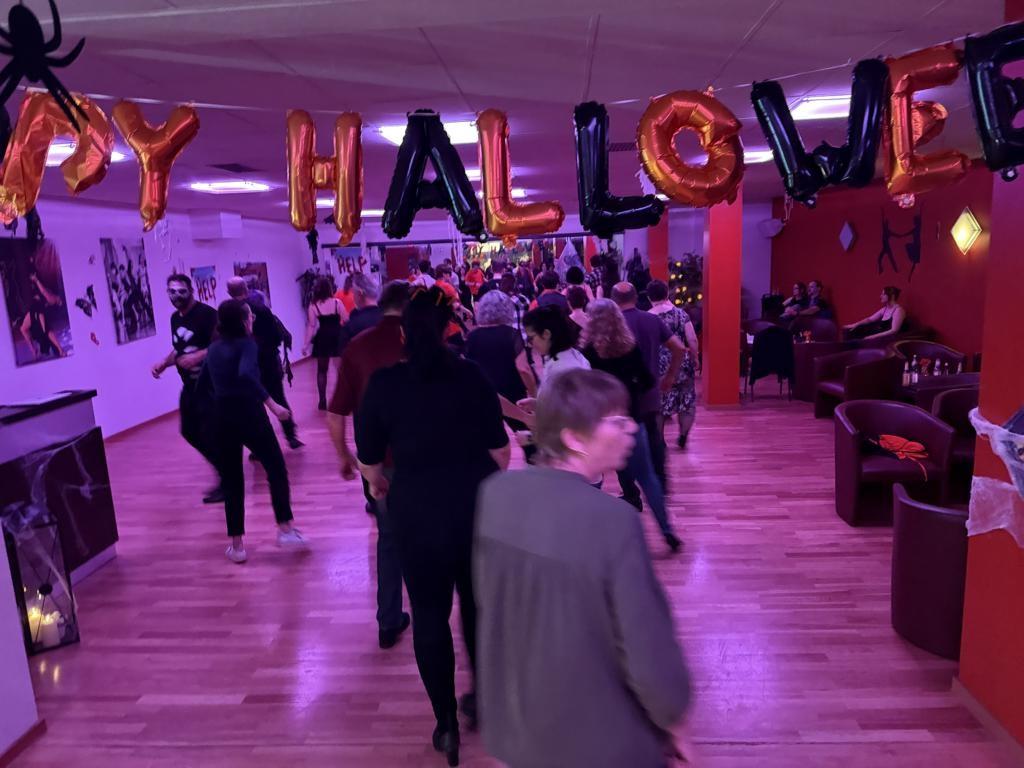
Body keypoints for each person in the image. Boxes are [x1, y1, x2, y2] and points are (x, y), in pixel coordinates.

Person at [475, 369, 692, 768]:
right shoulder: (613, 521)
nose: (632, 429)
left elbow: (493, 610)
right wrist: (671, 716)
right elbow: (646, 647)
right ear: (574, 438)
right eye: (618, 421)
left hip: (517, 731)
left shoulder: (494, 495)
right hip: (598, 743)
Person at [356, 286, 511, 765]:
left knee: (428, 615)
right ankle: (481, 698)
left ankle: (445, 724)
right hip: (473, 509)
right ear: (447, 330)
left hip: (415, 512)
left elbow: (369, 461)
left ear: (403, 334)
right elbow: (501, 451)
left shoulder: (384, 384)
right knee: (477, 607)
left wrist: (379, 486)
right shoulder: (471, 375)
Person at [328, 281, 412, 650]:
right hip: (422, 458)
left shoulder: (357, 346)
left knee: (389, 537)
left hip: (375, 461)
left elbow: (335, 413)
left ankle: (388, 621)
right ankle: (432, 611)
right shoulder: (422, 343)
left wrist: (344, 456)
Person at [199, 300, 307, 564]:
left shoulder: (212, 349)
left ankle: (237, 547)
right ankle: (285, 529)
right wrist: (273, 405)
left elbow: (202, 386)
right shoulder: (247, 344)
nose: (253, 320)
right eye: (250, 316)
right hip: (250, 415)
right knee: (276, 469)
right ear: (242, 320)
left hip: (223, 418)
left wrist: (217, 407)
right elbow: (247, 374)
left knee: (232, 481)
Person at [582, 300, 681, 551]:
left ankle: (595, 537)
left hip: (600, 425)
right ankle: (667, 530)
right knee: (647, 477)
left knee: (594, 479)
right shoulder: (630, 347)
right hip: (629, 421)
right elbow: (647, 381)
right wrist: (631, 389)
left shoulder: (588, 352)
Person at [151, 274, 222, 504]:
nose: (177, 296)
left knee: (212, 432)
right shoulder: (175, 318)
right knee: (190, 431)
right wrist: (164, 363)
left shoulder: (208, 315)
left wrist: (198, 356)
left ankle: (228, 479)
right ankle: (224, 471)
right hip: (190, 385)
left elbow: (223, 344)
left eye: (181, 291)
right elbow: (179, 349)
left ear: (191, 291)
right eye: (172, 292)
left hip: (211, 384)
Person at [611, 282, 684, 494]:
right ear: (636, 298)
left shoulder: (612, 325)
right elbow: (679, 348)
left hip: (619, 397)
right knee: (654, 438)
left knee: (621, 443)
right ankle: (661, 484)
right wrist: (670, 376)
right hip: (650, 392)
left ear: (614, 300)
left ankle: (630, 492)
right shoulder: (652, 320)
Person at [226, 276, 302, 450]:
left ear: (229, 292)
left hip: (244, 366)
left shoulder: (227, 314)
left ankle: (260, 446)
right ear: (246, 289)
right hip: (268, 362)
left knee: (253, 406)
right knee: (278, 397)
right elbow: (276, 336)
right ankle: (291, 436)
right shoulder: (261, 309)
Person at [465, 291, 538, 462]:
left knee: (489, 442)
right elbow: (524, 369)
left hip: (483, 394)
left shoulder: (472, 337)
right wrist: (533, 392)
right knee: (530, 439)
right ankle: (535, 469)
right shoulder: (512, 334)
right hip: (513, 393)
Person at [647, 280, 699, 449]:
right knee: (687, 401)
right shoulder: (681, 314)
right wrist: (695, 358)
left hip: (658, 366)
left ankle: (660, 440)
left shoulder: (648, 317)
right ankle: (683, 435)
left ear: (649, 297)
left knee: (659, 405)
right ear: (666, 294)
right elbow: (692, 339)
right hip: (682, 364)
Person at [302, 277, 347, 410]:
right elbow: (346, 319)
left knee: (321, 370)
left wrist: (306, 344)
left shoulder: (313, 305)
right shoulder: (337, 303)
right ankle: (342, 398)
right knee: (341, 371)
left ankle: (322, 400)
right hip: (338, 336)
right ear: (329, 288)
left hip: (322, 338)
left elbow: (311, 326)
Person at [521, 305, 590, 384]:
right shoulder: (572, 354)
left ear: (546, 334)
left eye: (530, 338)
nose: (529, 344)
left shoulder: (560, 370)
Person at [340, 273, 384, 347]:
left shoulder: (351, 327)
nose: (353, 297)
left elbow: (343, 352)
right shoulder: (390, 319)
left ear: (360, 294)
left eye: (354, 293)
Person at [499, 273, 529, 338]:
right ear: (514, 284)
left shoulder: (500, 301)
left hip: (508, 337)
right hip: (523, 335)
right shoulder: (523, 299)